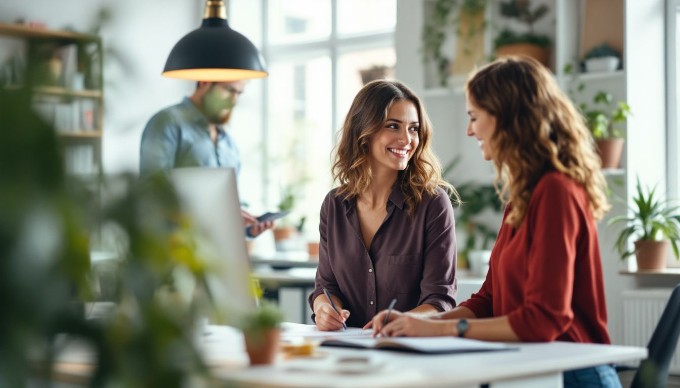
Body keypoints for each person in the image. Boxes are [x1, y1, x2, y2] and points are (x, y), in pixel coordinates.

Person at [370, 57, 619, 387]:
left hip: (571, 372)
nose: (469, 130)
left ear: (506, 117)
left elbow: (544, 320)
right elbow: (489, 299)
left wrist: (440, 328)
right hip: (530, 369)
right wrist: (414, 323)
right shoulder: (522, 196)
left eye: (474, 117)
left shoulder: (556, 191)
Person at [308, 79, 460, 331]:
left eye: (413, 128)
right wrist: (325, 309)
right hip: (346, 354)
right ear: (363, 132)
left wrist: (402, 322)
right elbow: (326, 287)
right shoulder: (334, 205)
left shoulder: (432, 204)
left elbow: (439, 299)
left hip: (407, 353)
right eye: (393, 126)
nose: (407, 139)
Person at [140, 80, 272, 237]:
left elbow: (229, 203)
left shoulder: (228, 142)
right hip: (175, 251)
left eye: (239, 93)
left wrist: (249, 227)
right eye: (229, 90)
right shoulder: (168, 122)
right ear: (204, 82)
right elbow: (153, 191)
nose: (233, 100)